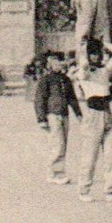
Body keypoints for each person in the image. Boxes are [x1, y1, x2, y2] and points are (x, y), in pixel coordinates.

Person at [73, 39, 112, 202]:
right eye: (92, 54)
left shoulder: (105, 70)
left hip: (107, 113)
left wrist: (106, 43)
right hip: (93, 114)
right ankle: (84, 190)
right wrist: (83, 48)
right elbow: (84, 64)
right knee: (90, 155)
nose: (95, 57)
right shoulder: (85, 73)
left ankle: (111, 190)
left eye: (97, 53)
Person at [34, 50, 81, 185]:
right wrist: (41, 119)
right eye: (55, 61)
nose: (59, 64)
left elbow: (72, 98)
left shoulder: (65, 79)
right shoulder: (45, 80)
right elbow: (39, 100)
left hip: (64, 114)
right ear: (49, 64)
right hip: (52, 115)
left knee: (63, 144)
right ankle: (55, 173)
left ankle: (58, 171)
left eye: (60, 61)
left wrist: (78, 114)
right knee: (57, 144)